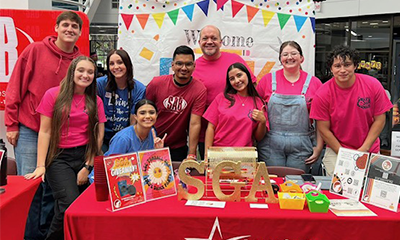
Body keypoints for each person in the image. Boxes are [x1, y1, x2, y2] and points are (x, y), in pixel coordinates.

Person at [4, 11, 83, 240]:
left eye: (74, 27)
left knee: (53, 189)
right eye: (65, 25)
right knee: (30, 187)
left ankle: (46, 233)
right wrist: (11, 123)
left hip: (60, 135)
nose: (69, 29)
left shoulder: (78, 61)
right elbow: (15, 85)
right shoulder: (35, 50)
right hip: (30, 128)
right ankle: (27, 235)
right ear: (56, 27)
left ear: (79, 32)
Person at [25, 56, 106, 239]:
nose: (85, 75)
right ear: (72, 72)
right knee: (68, 204)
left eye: (90, 72)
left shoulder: (95, 100)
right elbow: (44, 132)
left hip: (84, 155)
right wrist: (41, 165)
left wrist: (88, 165)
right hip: (59, 158)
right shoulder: (53, 95)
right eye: (81, 70)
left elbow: (98, 135)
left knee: (83, 209)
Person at [310, 45, 393, 176]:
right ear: (331, 69)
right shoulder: (322, 93)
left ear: (355, 66)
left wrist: (364, 149)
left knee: (368, 192)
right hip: (336, 149)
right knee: (338, 192)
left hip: (369, 148)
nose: (342, 70)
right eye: (337, 66)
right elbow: (323, 129)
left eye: (347, 65)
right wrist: (344, 153)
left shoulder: (373, 85)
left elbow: (380, 119)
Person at [256, 41, 323, 172]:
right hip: (271, 144)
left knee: (296, 184)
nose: (289, 57)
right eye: (285, 54)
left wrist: (318, 147)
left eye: (294, 53)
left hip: (302, 145)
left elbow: (321, 120)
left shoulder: (314, 83)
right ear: (280, 59)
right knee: (272, 184)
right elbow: (257, 111)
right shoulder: (267, 80)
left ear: (302, 58)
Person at [192, 25, 257, 158]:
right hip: (207, 136)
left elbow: (253, 87)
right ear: (199, 43)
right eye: (205, 38)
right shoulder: (194, 68)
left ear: (221, 42)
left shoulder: (235, 60)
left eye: (214, 38)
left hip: (241, 138)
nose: (209, 41)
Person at [146, 45, 206, 161]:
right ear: (172, 65)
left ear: (194, 66)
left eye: (188, 64)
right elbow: (142, 113)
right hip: (150, 144)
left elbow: (195, 123)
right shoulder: (156, 84)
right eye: (179, 64)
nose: (184, 68)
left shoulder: (199, 89)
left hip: (178, 147)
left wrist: (192, 154)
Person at [203, 62, 268, 156]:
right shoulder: (222, 98)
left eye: (239, 75)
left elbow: (258, 137)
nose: (237, 81)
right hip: (219, 153)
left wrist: (262, 121)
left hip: (245, 155)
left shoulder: (258, 103)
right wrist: (207, 153)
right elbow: (210, 127)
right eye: (232, 79)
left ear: (247, 75)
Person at [97, 49, 146, 152]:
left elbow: (134, 121)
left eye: (120, 62)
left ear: (127, 65)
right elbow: (96, 115)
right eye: (111, 64)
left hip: (125, 137)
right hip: (102, 136)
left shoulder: (139, 89)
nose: (116, 67)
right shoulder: (100, 84)